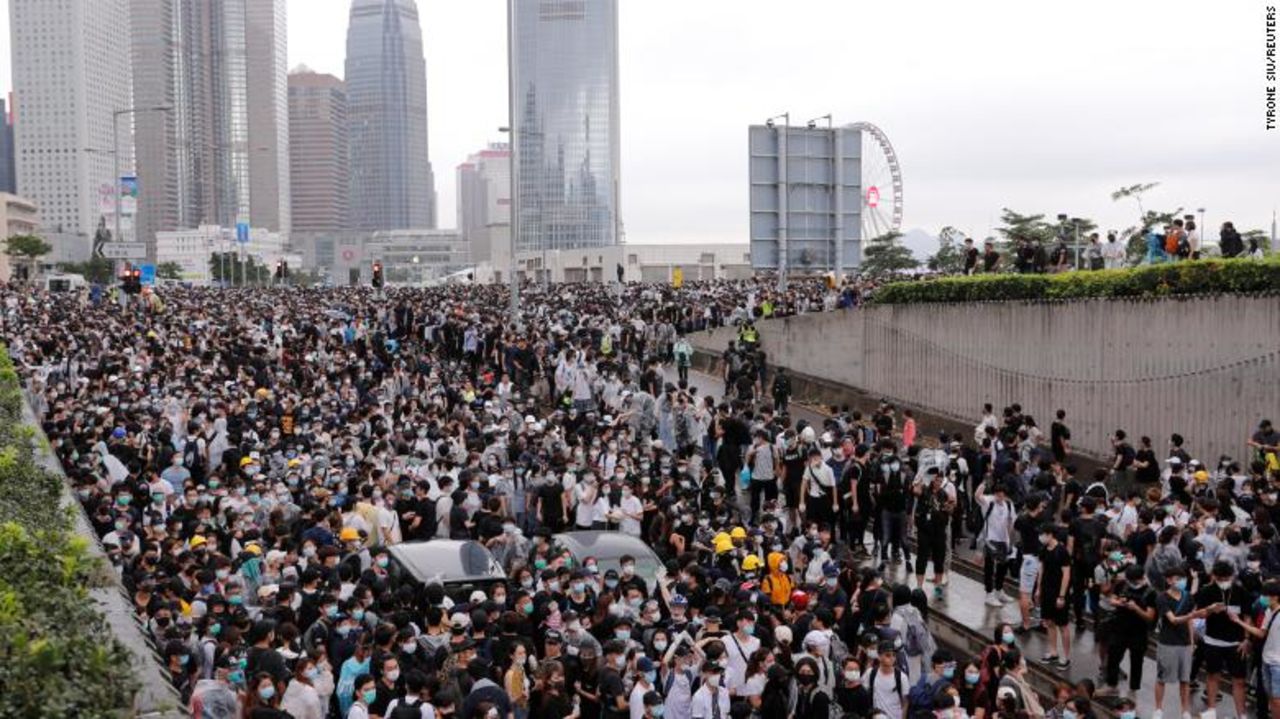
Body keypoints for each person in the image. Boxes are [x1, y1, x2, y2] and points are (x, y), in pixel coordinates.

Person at [1195, 561, 1249, 718]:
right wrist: (1209, 610)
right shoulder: (1206, 591)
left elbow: (1247, 616)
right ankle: (1211, 710)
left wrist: (1246, 639)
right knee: (1213, 675)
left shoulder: (1240, 591)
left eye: (1226, 578)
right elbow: (1199, 615)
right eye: (1220, 578)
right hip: (1212, 641)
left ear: (1232, 576)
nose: (1223, 581)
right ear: (1214, 576)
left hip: (1236, 643)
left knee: (1239, 680)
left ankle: (1242, 714)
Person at [1150, 565, 1201, 719]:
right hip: (1167, 643)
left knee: (1185, 679)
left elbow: (1190, 623)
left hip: (1185, 644)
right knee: (1162, 678)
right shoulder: (1162, 598)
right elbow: (1173, 620)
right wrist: (1193, 615)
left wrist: (1192, 641)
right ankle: (1158, 709)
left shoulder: (1188, 597)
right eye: (1177, 579)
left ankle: (1185, 710)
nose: (1181, 582)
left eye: (1183, 579)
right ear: (1169, 580)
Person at [975, 479, 1016, 608]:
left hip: (1003, 540)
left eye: (1003, 494)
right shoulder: (989, 501)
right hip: (990, 539)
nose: (1000, 496)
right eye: (998, 494)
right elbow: (977, 496)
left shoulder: (1008, 505)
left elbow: (1011, 522)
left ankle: (999, 590)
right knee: (989, 567)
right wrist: (984, 483)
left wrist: (1008, 540)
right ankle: (989, 593)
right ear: (995, 493)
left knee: (1002, 567)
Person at [1035, 525, 1071, 669]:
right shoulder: (1044, 550)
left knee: (1063, 625)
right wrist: (1038, 589)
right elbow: (1042, 569)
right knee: (1049, 622)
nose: (1041, 537)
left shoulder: (1062, 551)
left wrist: (1061, 596)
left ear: (1050, 534)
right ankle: (1053, 651)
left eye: (1043, 534)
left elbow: (1066, 574)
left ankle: (1066, 656)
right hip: (1047, 591)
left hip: (1058, 592)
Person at [864, 640, 909, 719]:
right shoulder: (870, 673)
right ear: (879, 656)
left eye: (894, 655)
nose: (892, 658)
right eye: (888, 655)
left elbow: (905, 702)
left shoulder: (902, 677)